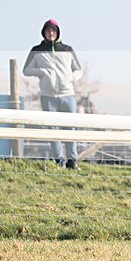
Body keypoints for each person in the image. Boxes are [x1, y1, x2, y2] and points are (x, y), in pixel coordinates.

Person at [23, 19, 83, 169]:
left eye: (53, 30)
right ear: (43, 33)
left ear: (58, 32)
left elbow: (79, 70)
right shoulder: (37, 50)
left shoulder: (67, 49)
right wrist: (42, 72)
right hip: (48, 96)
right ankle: (59, 160)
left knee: (70, 128)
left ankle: (72, 161)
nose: (51, 33)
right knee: (52, 129)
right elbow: (26, 70)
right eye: (48, 31)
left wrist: (71, 78)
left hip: (68, 95)